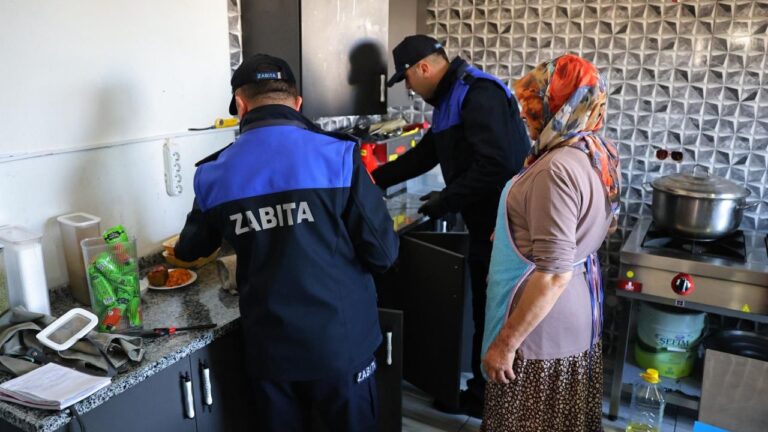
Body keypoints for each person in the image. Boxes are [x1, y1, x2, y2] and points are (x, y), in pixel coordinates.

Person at [174, 54, 399, 432]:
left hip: (271, 353)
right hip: (341, 347)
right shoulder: (339, 156)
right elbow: (383, 253)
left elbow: (189, 250)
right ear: (297, 103)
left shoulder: (213, 175)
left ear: (241, 105)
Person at [372, 34, 530, 416]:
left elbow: (497, 164)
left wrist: (447, 199)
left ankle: (491, 400)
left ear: (423, 68)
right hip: (483, 222)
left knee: (496, 310)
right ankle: (482, 394)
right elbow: (427, 154)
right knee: (485, 306)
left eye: (407, 78)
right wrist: (373, 178)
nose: (408, 87)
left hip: (504, 230)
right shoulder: (451, 99)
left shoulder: (478, 94)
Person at [480, 54, 620, 431]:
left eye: (533, 106)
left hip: (541, 330)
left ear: (560, 107)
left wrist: (506, 344)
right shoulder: (593, 150)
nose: (525, 116)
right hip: (577, 315)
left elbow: (554, 274)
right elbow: (590, 228)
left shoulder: (555, 169)